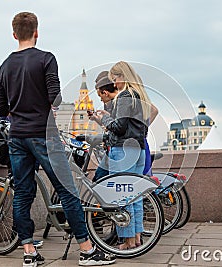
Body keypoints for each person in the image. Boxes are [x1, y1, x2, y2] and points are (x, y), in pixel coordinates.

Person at [0, 12, 115, 267]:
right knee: (67, 189)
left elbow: (0, 109)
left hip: (17, 137)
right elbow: (55, 98)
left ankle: (29, 253)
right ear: (37, 32)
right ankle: (87, 251)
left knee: (23, 194)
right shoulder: (46, 59)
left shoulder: (4, 67)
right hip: (44, 134)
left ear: (14, 34)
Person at [90, 61, 152, 249]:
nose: (114, 83)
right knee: (135, 196)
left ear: (122, 77)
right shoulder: (140, 96)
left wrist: (103, 118)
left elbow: (119, 126)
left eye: (115, 79)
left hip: (123, 150)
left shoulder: (125, 95)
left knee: (121, 195)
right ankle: (137, 238)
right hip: (138, 149)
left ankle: (127, 240)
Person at [91, 71, 119, 182]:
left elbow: (117, 126)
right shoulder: (111, 102)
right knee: (100, 178)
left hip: (118, 147)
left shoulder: (119, 101)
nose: (100, 98)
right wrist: (97, 119)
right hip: (112, 147)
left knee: (105, 180)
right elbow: (109, 126)